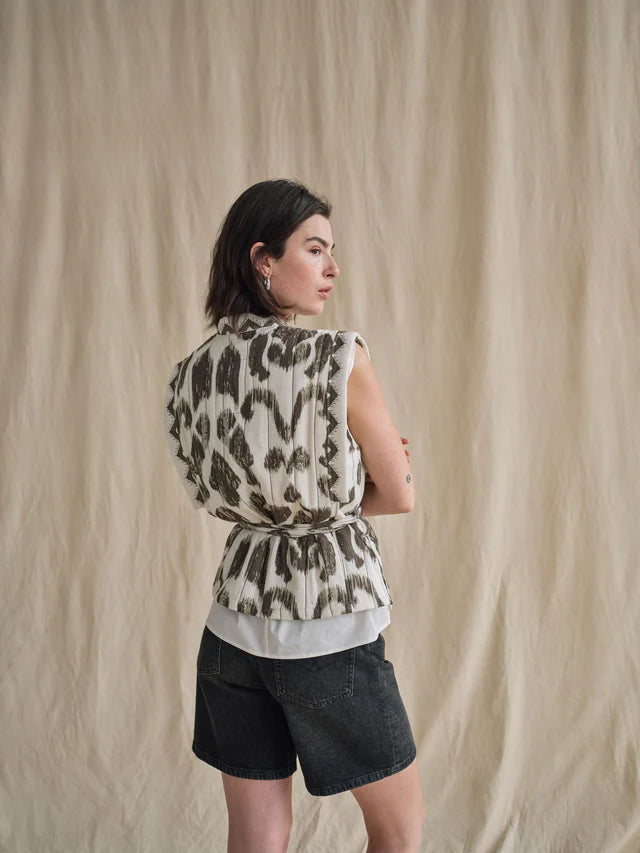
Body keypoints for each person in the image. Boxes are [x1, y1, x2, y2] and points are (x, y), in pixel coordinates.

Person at [164, 179, 425, 852]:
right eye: (314, 249)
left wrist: (314, 490)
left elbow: (210, 492)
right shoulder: (339, 359)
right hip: (329, 622)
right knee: (398, 831)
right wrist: (358, 480)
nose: (332, 267)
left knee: (256, 837)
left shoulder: (193, 374)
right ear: (263, 259)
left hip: (231, 628)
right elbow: (399, 493)